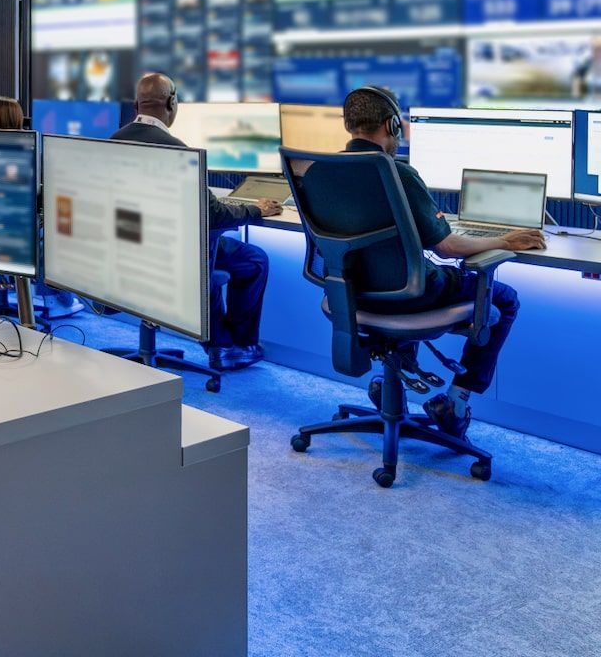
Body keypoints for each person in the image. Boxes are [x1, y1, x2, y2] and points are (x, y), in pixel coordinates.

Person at [303, 87, 544, 440]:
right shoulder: (396, 173)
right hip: (409, 295)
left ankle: (390, 382)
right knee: (504, 298)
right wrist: (504, 241)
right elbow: (446, 247)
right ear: (391, 125)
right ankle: (456, 401)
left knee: (403, 276)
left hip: (350, 291)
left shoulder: (317, 172)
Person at [111, 73, 281, 371]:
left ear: (137, 105)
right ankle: (228, 348)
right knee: (243, 258)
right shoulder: (175, 149)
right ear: (172, 103)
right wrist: (256, 210)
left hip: (132, 251)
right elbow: (213, 215)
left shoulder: (112, 142)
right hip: (172, 255)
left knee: (244, 257)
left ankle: (227, 345)